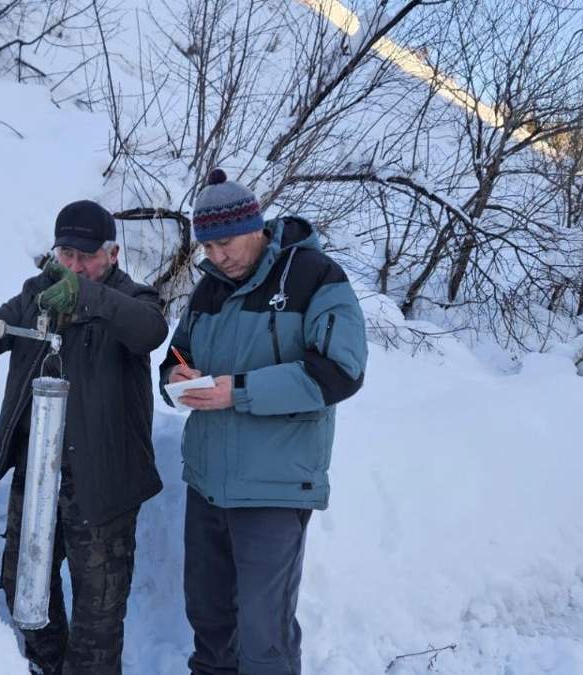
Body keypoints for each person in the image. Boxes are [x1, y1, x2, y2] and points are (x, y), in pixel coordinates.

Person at [0, 199, 167, 675]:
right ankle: (48, 666)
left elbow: (149, 332)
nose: (74, 266)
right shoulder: (37, 292)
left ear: (113, 254)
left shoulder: (136, 299)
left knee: (100, 609)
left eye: (86, 256)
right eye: (66, 254)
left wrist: (85, 296)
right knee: (23, 585)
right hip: (40, 474)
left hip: (104, 483)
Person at [159, 169, 368, 675]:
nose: (217, 256)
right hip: (208, 484)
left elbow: (341, 371)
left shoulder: (315, 276)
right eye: (207, 248)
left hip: (274, 488)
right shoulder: (208, 290)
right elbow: (177, 353)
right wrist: (177, 375)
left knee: (263, 636)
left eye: (225, 243)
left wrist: (240, 391)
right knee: (209, 623)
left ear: (256, 226)